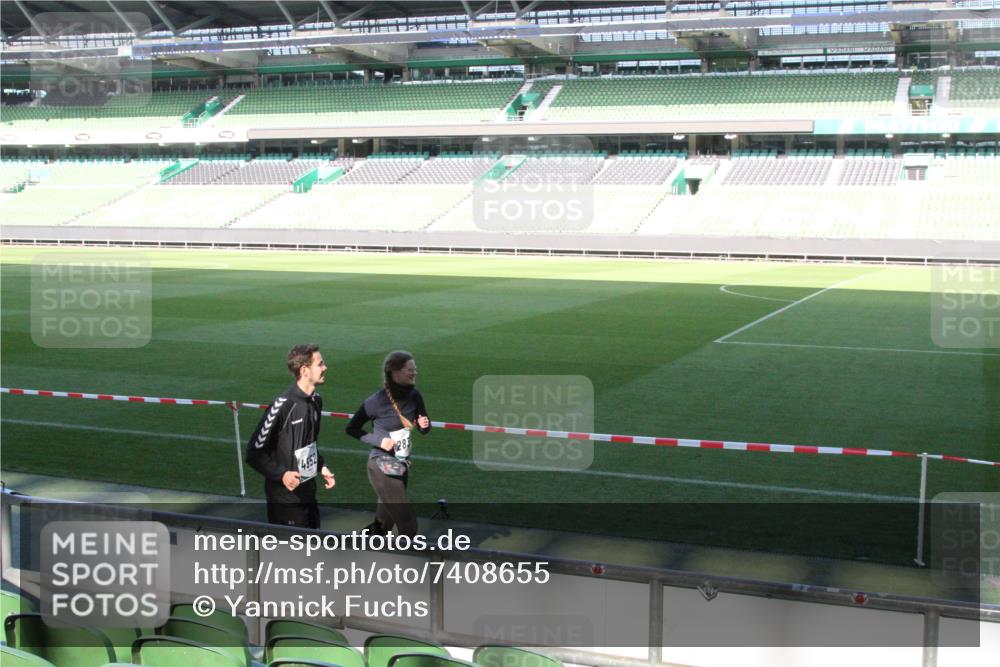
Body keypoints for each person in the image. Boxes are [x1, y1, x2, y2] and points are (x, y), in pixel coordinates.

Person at [247, 344, 335, 528]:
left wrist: (321, 466)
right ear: (304, 370)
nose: (325, 368)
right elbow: (254, 453)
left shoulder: (316, 401)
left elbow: (308, 443)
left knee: (312, 547)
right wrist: (282, 475)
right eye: (320, 364)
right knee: (292, 553)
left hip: (308, 492)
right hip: (285, 499)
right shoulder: (283, 405)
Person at [346, 350, 431, 537]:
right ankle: (411, 562)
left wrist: (424, 425)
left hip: (401, 463)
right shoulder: (376, 401)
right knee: (407, 522)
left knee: (383, 523)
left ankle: (361, 547)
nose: (414, 372)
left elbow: (424, 426)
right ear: (395, 372)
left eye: (415, 369)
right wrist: (379, 441)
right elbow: (352, 428)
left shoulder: (414, 396)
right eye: (410, 369)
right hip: (382, 463)